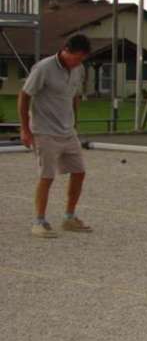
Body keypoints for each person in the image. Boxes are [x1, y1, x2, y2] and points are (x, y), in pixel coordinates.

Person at [18, 34, 93, 238]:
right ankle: (39, 221)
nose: (78, 62)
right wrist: (25, 129)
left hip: (67, 131)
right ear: (65, 50)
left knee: (79, 172)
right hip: (44, 131)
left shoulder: (78, 69)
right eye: (76, 57)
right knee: (47, 176)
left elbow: (75, 95)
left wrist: (74, 120)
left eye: (82, 59)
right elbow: (24, 96)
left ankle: (69, 217)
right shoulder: (43, 68)